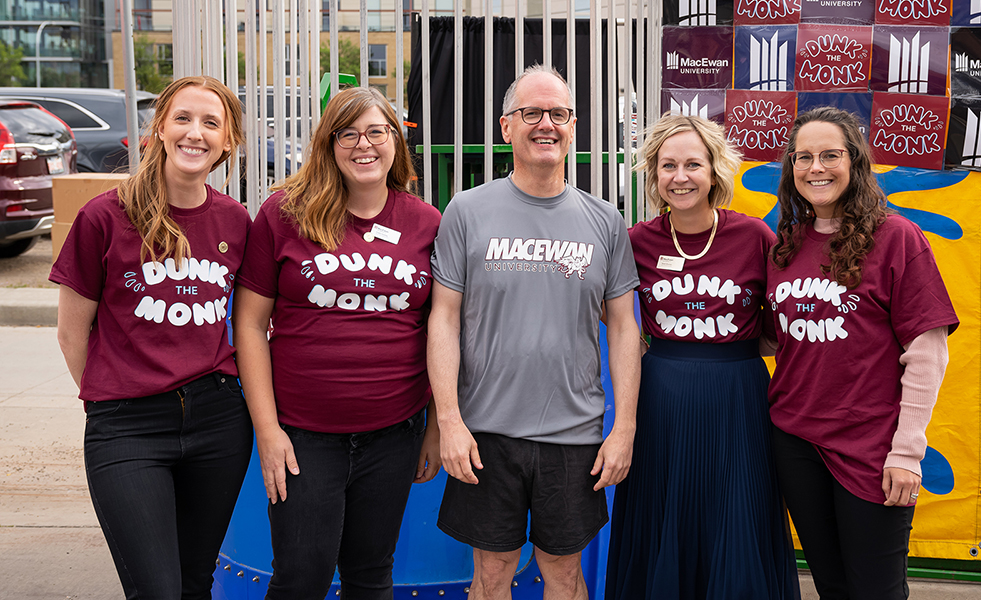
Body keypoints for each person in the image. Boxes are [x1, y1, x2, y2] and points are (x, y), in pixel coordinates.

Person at [427, 64, 642, 599]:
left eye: (559, 114)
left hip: (573, 437)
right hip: (486, 434)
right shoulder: (467, 211)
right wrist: (449, 421)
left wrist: (624, 429)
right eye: (532, 113)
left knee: (565, 577)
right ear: (506, 127)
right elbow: (444, 319)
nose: (546, 124)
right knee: (491, 576)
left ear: (574, 126)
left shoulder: (605, 221)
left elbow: (622, 328)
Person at [233, 86, 441, 600]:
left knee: (371, 578)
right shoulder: (284, 213)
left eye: (376, 131)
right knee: (301, 578)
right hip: (304, 438)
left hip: (394, 434)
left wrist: (434, 429)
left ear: (396, 141)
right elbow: (249, 325)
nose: (363, 145)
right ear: (327, 144)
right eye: (347, 133)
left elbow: (444, 331)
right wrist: (268, 430)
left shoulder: (427, 222)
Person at [50, 75, 251, 600]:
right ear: (159, 128)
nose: (195, 133)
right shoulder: (104, 216)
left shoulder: (235, 221)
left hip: (219, 421)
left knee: (193, 582)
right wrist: (113, 395)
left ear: (228, 141)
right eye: (183, 118)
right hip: (128, 426)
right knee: (157, 590)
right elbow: (72, 335)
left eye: (212, 123)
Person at [604, 114, 800, 600]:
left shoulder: (755, 237)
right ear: (653, 175)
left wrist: (725, 350)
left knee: (737, 514)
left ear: (715, 171)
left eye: (693, 163)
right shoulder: (635, 242)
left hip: (738, 401)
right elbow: (617, 320)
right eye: (667, 165)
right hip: (661, 403)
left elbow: (781, 325)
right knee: (662, 513)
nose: (681, 176)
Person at [767, 106, 959, 600]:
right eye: (803, 157)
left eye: (830, 155)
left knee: (876, 590)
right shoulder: (784, 246)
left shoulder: (895, 238)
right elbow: (774, 337)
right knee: (830, 585)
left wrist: (907, 452)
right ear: (790, 168)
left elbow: (927, 350)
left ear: (854, 162)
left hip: (872, 449)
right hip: (795, 440)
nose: (816, 168)